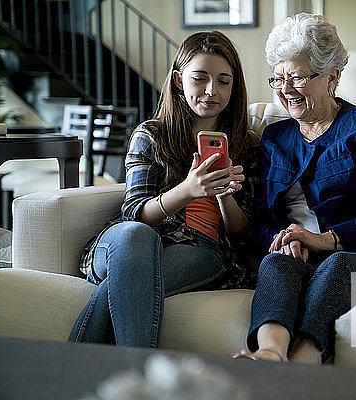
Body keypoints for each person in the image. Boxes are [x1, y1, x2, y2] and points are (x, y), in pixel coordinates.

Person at [232, 13, 356, 364]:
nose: (286, 89)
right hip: (300, 258)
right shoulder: (275, 138)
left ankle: (304, 362)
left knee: (336, 265)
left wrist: (323, 239)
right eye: (279, 78)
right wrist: (287, 240)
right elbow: (261, 221)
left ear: (333, 76)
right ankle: (269, 353)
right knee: (275, 264)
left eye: (297, 77)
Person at [69, 31, 259, 348]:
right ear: (178, 80)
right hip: (130, 242)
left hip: (202, 249)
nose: (212, 90)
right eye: (200, 78)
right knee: (135, 236)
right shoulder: (152, 135)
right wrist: (188, 190)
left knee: (122, 284)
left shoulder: (247, 145)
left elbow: (242, 232)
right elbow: (134, 214)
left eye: (224, 81)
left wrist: (224, 195)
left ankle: (73, 376)